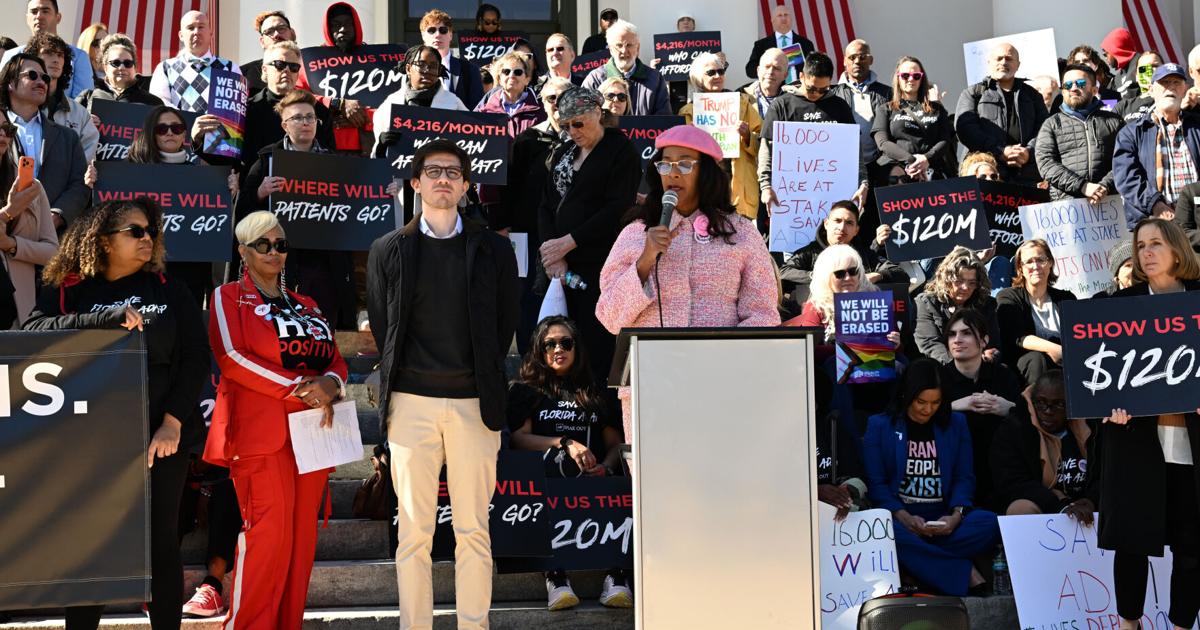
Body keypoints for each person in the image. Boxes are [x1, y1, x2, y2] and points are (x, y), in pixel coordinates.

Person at [24, 197, 210, 629]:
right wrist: (102, 319)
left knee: (161, 543)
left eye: (151, 232)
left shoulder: (169, 288)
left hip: (160, 434)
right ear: (104, 241)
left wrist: (172, 423)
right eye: (136, 231)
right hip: (90, 433)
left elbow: (196, 358)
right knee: (92, 544)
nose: (148, 239)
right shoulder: (71, 289)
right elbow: (32, 332)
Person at [366, 139, 518, 630]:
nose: (444, 180)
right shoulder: (389, 249)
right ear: (416, 182)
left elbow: (504, 325)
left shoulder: (493, 248)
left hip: (475, 405)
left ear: (468, 184)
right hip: (411, 406)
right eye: (433, 171)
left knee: (475, 531)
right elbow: (384, 323)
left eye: (454, 172)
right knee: (414, 534)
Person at [204, 210, 347, 630]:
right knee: (268, 538)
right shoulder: (227, 296)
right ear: (243, 251)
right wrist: (303, 388)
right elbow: (231, 359)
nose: (273, 252)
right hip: (261, 434)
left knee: (301, 545)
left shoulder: (307, 304)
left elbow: (336, 359)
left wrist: (333, 384)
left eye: (280, 244)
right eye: (262, 244)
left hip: (314, 436)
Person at [597, 124, 780, 436]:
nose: (674, 173)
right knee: (656, 483)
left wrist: (721, 358)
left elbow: (763, 314)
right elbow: (609, 316)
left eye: (685, 163)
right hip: (650, 389)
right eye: (665, 164)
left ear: (706, 172)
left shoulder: (742, 232)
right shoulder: (635, 233)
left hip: (721, 386)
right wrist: (644, 261)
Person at [1096, 218, 1200, 630]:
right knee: (1133, 544)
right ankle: (1129, 624)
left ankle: (1180, 625)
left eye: (1156, 244)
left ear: (1177, 249)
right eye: (1140, 246)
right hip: (1136, 441)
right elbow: (1097, 376)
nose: (1147, 253)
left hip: (1191, 447)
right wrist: (1109, 406)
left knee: (1193, 548)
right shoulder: (1118, 306)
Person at [507, 316, 629, 610]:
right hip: (550, 481)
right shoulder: (528, 391)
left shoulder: (596, 391)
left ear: (577, 348)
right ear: (539, 349)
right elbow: (519, 440)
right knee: (554, 464)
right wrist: (565, 442)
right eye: (550, 344)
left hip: (594, 481)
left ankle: (616, 577)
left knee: (625, 474)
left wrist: (607, 466)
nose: (558, 349)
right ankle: (556, 577)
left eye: (566, 342)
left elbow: (614, 446)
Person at [862, 358, 1000, 596]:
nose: (927, 409)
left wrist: (956, 516)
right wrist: (904, 517)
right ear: (906, 395)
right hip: (902, 518)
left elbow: (963, 477)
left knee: (989, 523)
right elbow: (877, 485)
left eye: (935, 402)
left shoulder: (956, 423)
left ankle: (918, 567)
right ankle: (963, 572)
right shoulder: (879, 425)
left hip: (943, 519)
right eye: (921, 402)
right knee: (885, 534)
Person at [538, 87, 641, 384]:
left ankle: (596, 414)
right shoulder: (563, 151)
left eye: (579, 123)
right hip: (559, 267)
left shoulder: (620, 150)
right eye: (566, 125)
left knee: (594, 341)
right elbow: (545, 203)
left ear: (598, 112)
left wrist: (569, 242)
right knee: (558, 341)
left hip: (598, 264)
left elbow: (617, 208)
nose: (573, 131)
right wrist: (551, 253)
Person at [86, 105, 238, 304]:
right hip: (141, 267)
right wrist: (93, 183)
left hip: (189, 269)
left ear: (184, 133)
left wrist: (229, 190)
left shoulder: (202, 176)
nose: (169, 133)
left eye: (176, 128)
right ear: (151, 133)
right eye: (162, 129)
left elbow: (218, 217)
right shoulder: (129, 170)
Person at [240, 89, 352, 328]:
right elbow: (243, 210)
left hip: (324, 262)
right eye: (298, 118)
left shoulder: (335, 162)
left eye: (310, 117)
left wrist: (386, 193)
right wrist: (260, 193)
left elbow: (355, 206)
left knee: (322, 326)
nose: (306, 123)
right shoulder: (266, 160)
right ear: (284, 125)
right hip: (280, 262)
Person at [495, 77, 572, 353]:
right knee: (526, 299)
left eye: (564, 98)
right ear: (542, 102)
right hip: (526, 235)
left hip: (568, 236)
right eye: (551, 98)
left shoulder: (582, 139)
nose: (558, 104)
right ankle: (530, 363)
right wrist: (503, 225)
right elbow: (510, 185)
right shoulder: (527, 140)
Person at [372, 45, 468, 226]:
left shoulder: (454, 105)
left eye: (433, 66)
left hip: (440, 185)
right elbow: (376, 159)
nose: (427, 71)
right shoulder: (389, 105)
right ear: (408, 68)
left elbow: (472, 149)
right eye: (421, 64)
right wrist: (382, 145)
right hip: (401, 191)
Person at [759, 52, 866, 213]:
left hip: (834, 196)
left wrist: (863, 183)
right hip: (788, 199)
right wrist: (766, 186)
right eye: (811, 88)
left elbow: (854, 150)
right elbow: (766, 149)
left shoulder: (840, 106)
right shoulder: (781, 105)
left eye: (823, 90)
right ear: (801, 76)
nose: (816, 94)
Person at [940, 308, 1021, 511]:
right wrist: (956, 406)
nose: (957, 340)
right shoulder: (937, 377)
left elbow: (1029, 420)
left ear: (984, 341)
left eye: (966, 333)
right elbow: (915, 419)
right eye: (952, 334)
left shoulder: (1003, 376)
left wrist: (1008, 408)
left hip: (1001, 467)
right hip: (951, 465)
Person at [990, 370, 1094, 517]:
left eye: (1058, 404)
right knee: (1019, 509)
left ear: (1071, 404)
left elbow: (1104, 474)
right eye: (1040, 402)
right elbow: (1013, 483)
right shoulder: (1014, 428)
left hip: (1085, 504)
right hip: (1044, 503)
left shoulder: (1090, 427)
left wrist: (1092, 499)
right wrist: (1060, 505)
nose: (1048, 411)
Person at [1, 53, 89, 226]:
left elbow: (79, 185)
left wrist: (56, 216)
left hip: (52, 241)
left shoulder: (68, 137)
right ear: (10, 83)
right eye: (32, 75)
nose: (41, 82)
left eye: (45, 77)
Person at [779, 200, 907, 315]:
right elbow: (783, 273)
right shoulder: (809, 253)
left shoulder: (864, 255)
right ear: (826, 223)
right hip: (817, 321)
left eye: (849, 223)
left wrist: (877, 275)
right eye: (837, 221)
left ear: (856, 230)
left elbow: (900, 274)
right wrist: (819, 276)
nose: (842, 227)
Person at [1113, 63, 1200, 228]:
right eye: (1164, 83)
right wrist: (1155, 205)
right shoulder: (1131, 133)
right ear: (1151, 90)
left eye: (1176, 83)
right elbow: (1126, 177)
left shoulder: (1198, 126)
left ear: (1184, 89)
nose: (1170, 88)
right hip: (1154, 223)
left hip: (1197, 223)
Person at [678, 52, 762, 220]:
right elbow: (682, 155)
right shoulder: (688, 112)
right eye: (710, 72)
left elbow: (763, 144)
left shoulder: (743, 104)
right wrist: (693, 138)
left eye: (721, 71)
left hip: (740, 194)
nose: (717, 76)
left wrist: (747, 136)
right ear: (697, 78)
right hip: (704, 190)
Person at [955, 42, 1049, 185]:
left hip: (1027, 176)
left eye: (1009, 58)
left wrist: (1028, 153)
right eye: (999, 58)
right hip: (986, 177)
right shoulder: (973, 93)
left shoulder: (1033, 96)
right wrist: (1000, 151)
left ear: (1018, 64)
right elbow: (965, 129)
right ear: (989, 63)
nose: (1004, 62)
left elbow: (1045, 130)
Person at [241, 40, 335, 173]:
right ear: (264, 70)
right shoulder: (247, 109)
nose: (287, 71)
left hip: (305, 184)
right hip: (258, 186)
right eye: (280, 65)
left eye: (293, 67)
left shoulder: (317, 110)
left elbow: (329, 157)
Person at [1035, 64, 1123, 202]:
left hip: (1109, 204)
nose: (1074, 88)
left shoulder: (1114, 122)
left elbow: (1125, 159)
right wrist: (1083, 186)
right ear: (1062, 91)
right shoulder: (1051, 124)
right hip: (1068, 207)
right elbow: (1045, 163)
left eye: (1081, 83)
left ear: (1094, 90)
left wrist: (1105, 185)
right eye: (1068, 85)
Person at [0, 119, 57, 327]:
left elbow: (53, 252)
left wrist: (13, 245)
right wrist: (8, 213)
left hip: (19, 312)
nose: (2, 135)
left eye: (7, 129)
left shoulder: (32, 188)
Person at [293, 3, 371, 154]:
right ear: (328, 29)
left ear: (356, 26)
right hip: (324, 145)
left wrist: (361, 116)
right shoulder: (311, 61)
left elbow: (389, 101)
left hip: (366, 148)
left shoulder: (375, 60)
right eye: (336, 25)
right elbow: (298, 96)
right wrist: (337, 103)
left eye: (348, 23)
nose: (343, 29)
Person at [996, 239, 1076, 386]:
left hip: (1066, 364)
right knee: (1037, 358)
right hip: (1028, 367)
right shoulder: (1008, 296)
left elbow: (1077, 335)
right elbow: (1018, 337)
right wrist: (1054, 349)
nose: (1036, 266)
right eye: (1029, 262)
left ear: (1050, 263)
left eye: (1041, 260)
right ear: (1020, 268)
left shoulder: (1065, 298)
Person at [873, 55, 954, 183]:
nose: (911, 79)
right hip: (899, 171)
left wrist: (927, 159)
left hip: (932, 171)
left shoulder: (937, 109)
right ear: (898, 78)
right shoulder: (885, 109)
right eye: (905, 75)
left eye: (916, 76)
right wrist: (912, 160)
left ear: (921, 79)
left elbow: (945, 139)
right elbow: (882, 143)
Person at [914, 246, 1001, 364]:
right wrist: (959, 365)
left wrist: (990, 355)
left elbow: (992, 343)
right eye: (959, 281)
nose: (965, 288)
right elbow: (929, 344)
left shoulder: (986, 304)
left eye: (972, 283)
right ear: (946, 279)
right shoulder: (927, 302)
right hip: (941, 367)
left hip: (978, 366)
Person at [149, 11, 241, 113]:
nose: (196, 32)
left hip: (217, 129)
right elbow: (159, 104)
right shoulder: (165, 68)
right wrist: (189, 122)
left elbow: (234, 110)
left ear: (211, 33)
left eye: (201, 27)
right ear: (181, 35)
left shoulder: (231, 68)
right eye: (190, 28)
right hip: (181, 129)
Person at [0, 1, 95, 99]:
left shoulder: (78, 56)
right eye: (34, 12)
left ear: (58, 18)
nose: (39, 16)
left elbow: (84, 101)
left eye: (45, 11)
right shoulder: (11, 55)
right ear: (27, 18)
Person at [30, 32, 99, 163]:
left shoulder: (80, 114)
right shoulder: (18, 106)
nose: (56, 59)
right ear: (33, 58)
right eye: (49, 53)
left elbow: (84, 160)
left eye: (60, 55)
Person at [580, 20, 671, 116]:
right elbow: (583, 117)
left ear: (638, 48)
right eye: (619, 45)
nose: (624, 51)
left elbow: (664, 119)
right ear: (610, 49)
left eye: (629, 45)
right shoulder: (595, 79)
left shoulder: (655, 79)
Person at [833, 40, 892, 184]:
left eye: (862, 57)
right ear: (844, 61)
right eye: (852, 57)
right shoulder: (832, 94)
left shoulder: (888, 93)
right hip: (843, 167)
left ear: (871, 60)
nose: (857, 61)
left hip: (880, 165)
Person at [420, 9, 484, 111]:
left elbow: (477, 112)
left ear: (450, 35)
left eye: (443, 30)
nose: (437, 35)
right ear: (423, 35)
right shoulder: (413, 69)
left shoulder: (470, 70)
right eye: (431, 30)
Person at [76, 33, 164, 107]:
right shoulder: (87, 97)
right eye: (116, 63)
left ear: (135, 67)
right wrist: (86, 121)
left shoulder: (153, 103)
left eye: (127, 63)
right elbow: (70, 123)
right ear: (105, 67)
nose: (122, 67)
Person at [745, 4, 814, 82]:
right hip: (773, 91)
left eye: (786, 15)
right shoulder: (761, 45)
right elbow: (750, 71)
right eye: (780, 15)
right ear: (772, 20)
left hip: (799, 89)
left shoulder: (806, 43)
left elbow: (813, 69)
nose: (783, 18)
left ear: (791, 19)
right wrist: (770, 67)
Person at [241, 11, 296, 94]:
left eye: (281, 28)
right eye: (269, 31)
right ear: (262, 42)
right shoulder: (243, 75)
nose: (277, 34)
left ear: (292, 34)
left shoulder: (311, 68)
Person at [1113, 50, 1162, 123]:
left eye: (1155, 66)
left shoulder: (1172, 99)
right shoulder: (1122, 107)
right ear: (1136, 76)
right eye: (1143, 68)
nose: (1150, 71)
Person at [1101, 27, 1140, 99]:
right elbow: (1108, 105)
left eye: (1105, 54)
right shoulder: (1116, 80)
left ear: (1115, 49)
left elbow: (1149, 94)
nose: (1105, 58)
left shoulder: (1142, 63)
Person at [76, 22, 107, 88]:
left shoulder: (115, 74)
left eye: (106, 43)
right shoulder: (75, 72)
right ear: (86, 44)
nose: (102, 47)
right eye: (97, 43)